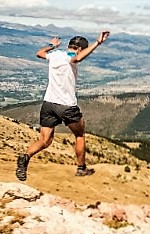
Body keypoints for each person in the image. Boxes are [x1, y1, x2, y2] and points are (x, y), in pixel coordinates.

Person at [16, 31, 110, 181]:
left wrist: (51, 45)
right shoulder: (71, 57)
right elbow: (77, 58)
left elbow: (39, 53)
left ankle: (25, 156)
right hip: (66, 106)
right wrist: (98, 43)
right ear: (80, 49)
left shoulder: (56, 54)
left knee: (44, 140)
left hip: (48, 103)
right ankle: (81, 168)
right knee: (79, 135)